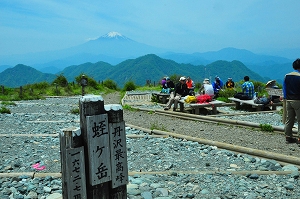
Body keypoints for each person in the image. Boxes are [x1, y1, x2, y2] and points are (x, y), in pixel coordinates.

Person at [283, 58, 300, 144]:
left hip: (288, 100)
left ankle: (288, 137)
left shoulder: (287, 76)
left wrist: (285, 98)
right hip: (298, 101)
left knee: (289, 119)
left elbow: (284, 89)